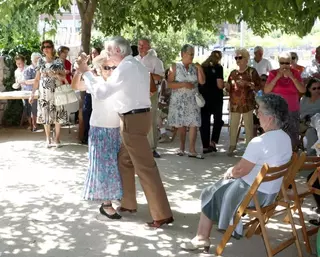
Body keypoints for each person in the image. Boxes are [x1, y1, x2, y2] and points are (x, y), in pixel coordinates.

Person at [75, 36, 173, 228]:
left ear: (118, 51)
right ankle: (128, 204)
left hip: (132, 120)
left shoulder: (126, 67)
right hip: (138, 118)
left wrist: (86, 72)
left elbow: (102, 92)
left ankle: (161, 214)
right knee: (125, 162)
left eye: (109, 51)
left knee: (145, 168)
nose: (107, 55)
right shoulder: (135, 65)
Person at [180, 94, 292, 251]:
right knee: (221, 185)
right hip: (271, 194)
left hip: (256, 196)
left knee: (210, 192)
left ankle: (202, 237)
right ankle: (204, 234)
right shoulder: (285, 138)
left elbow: (240, 171)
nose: (257, 114)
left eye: (260, 111)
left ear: (271, 118)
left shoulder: (260, 141)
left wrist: (229, 172)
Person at [72, 51, 123, 219]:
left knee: (112, 166)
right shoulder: (95, 81)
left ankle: (111, 198)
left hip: (115, 129)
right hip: (99, 129)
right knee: (104, 168)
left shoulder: (118, 83)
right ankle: (106, 204)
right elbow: (75, 86)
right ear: (100, 69)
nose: (111, 70)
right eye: (107, 67)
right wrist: (81, 70)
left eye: (114, 67)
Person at [167, 44, 206, 159]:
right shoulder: (174, 66)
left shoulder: (195, 67)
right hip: (179, 100)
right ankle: (182, 147)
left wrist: (200, 69)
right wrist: (183, 84)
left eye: (193, 54)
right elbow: (169, 84)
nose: (193, 56)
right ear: (183, 54)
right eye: (191, 54)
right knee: (182, 124)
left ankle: (192, 150)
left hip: (192, 99)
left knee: (194, 123)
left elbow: (202, 82)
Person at [29, 40, 68, 148]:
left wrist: (55, 74)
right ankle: (47, 138)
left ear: (52, 48)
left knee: (57, 115)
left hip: (57, 91)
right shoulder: (40, 61)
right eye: (44, 47)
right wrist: (32, 94)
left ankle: (57, 139)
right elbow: (37, 79)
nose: (45, 48)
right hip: (44, 93)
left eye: (48, 46)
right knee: (45, 115)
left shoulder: (58, 61)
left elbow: (64, 77)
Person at [265, 51, 306, 150]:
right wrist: (277, 77)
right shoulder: (273, 73)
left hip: (292, 109)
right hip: (277, 110)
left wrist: (292, 77)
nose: (284, 65)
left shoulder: (295, 73)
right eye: (282, 63)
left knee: (292, 135)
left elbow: (302, 90)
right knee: (277, 136)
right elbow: (266, 90)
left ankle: (292, 158)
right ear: (278, 63)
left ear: (290, 62)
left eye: (287, 63)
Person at [225, 48, 261, 156]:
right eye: (236, 58)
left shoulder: (251, 71)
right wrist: (226, 86)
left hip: (247, 103)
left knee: (249, 126)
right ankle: (232, 146)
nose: (238, 60)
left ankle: (249, 149)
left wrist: (248, 84)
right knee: (233, 125)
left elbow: (258, 86)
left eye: (240, 57)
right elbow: (228, 88)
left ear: (246, 59)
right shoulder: (233, 73)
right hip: (235, 103)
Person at [136, 38, 165, 158]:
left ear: (149, 47)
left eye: (143, 45)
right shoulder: (133, 60)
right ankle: (137, 147)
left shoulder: (155, 61)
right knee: (136, 120)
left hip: (150, 93)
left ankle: (152, 148)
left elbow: (160, 77)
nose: (141, 47)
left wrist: (146, 73)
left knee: (151, 119)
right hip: (136, 93)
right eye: (139, 45)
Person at [199, 50, 224, 154]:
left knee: (204, 121)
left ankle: (205, 145)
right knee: (218, 120)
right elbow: (219, 85)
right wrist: (224, 85)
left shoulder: (202, 67)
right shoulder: (218, 68)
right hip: (216, 97)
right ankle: (213, 142)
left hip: (204, 97)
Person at [22, 52, 42, 132]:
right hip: (30, 92)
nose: (37, 60)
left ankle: (36, 124)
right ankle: (33, 125)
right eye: (36, 59)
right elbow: (26, 81)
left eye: (39, 59)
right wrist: (37, 80)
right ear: (32, 60)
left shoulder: (41, 68)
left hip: (40, 91)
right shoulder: (28, 69)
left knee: (37, 108)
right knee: (32, 108)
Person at [300, 78, 320, 156]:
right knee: (317, 118)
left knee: (310, 132)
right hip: (306, 122)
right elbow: (301, 114)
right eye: (314, 88)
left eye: (319, 88)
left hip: (316, 123)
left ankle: (312, 155)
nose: (317, 90)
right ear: (308, 89)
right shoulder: (304, 99)